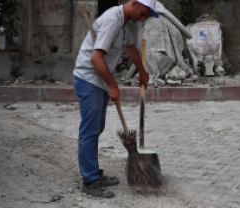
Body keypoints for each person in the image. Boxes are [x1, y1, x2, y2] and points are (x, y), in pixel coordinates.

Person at [73, 0, 158, 198]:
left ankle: (94, 174)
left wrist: (142, 72)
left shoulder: (123, 23)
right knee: (90, 130)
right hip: (89, 79)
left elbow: (131, 49)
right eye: (143, 13)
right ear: (134, 4)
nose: (143, 19)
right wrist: (113, 85)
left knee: (96, 128)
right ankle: (89, 181)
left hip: (98, 80)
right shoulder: (112, 20)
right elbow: (96, 58)